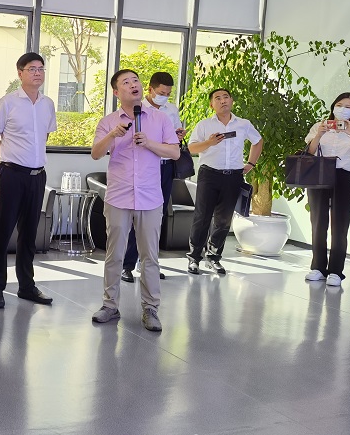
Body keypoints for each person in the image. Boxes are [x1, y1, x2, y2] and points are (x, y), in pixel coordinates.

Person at [90, 69, 179, 331]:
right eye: (126, 82)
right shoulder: (108, 121)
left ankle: (150, 309)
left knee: (150, 256)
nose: (133, 85)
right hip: (118, 196)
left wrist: (150, 143)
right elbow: (96, 153)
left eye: (136, 81)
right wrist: (112, 135)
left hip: (150, 197)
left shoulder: (160, 118)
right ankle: (110, 305)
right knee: (114, 255)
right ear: (116, 92)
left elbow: (174, 153)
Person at [0, 52, 56, 309]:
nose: (37, 73)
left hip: (37, 176)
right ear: (20, 73)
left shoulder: (48, 104)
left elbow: (44, 137)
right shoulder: (7, 103)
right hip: (11, 175)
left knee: (29, 235)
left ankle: (27, 286)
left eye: (41, 69)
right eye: (32, 69)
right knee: (2, 232)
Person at [186, 88, 263, 276]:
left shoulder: (243, 124)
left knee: (223, 220)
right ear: (212, 104)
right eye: (218, 98)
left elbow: (258, 141)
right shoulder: (204, 125)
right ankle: (194, 258)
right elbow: (191, 148)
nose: (223, 101)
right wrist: (209, 143)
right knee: (202, 217)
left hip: (233, 176)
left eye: (226, 97)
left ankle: (213, 257)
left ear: (232, 100)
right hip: (209, 175)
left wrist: (251, 163)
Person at [119, 72, 186, 283]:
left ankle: (148, 264)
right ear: (150, 89)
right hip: (144, 168)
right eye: (161, 93)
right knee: (137, 215)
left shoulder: (171, 110)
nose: (164, 96)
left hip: (165, 167)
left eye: (168, 93)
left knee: (157, 217)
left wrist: (178, 136)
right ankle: (127, 265)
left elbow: (173, 142)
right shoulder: (138, 108)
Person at [304, 93, 350, 287]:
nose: (343, 109)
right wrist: (319, 134)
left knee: (340, 224)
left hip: (342, 177)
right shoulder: (319, 126)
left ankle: (336, 271)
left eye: (348, 107)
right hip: (319, 175)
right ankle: (318, 267)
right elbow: (309, 152)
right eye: (340, 104)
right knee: (318, 222)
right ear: (333, 106)